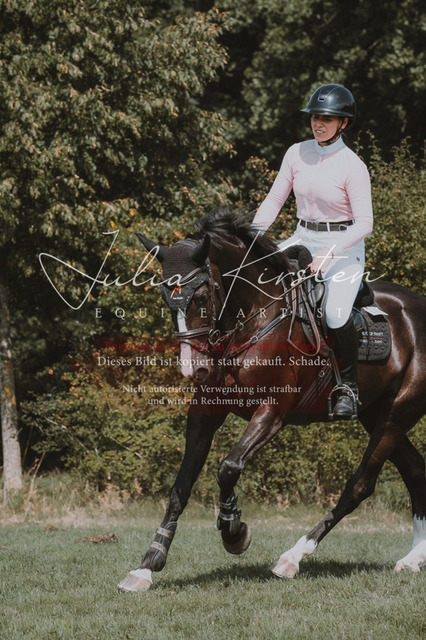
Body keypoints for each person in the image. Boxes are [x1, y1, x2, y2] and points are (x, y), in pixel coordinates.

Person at [252, 83, 374, 420]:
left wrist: (331, 252)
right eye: (315, 117)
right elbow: (275, 200)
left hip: (344, 246)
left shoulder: (353, 166)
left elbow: (365, 223)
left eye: (327, 119)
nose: (318, 124)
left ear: (343, 123)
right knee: (254, 279)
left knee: (335, 314)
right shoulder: (296, 153)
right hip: (302, 237)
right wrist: (252, 238)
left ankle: (348, 388)